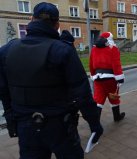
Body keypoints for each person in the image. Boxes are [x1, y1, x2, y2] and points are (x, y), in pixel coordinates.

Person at [0, 2, 103, 158]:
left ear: (31, 19)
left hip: (25, 126)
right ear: (57, 25)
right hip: (60, 125)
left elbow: (3, 90)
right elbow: (81, 92)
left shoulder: (6, 50)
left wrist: (10, 118)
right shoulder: (63, 50)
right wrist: (94, 123)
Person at [89, 32, 125, 122]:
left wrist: (93, 74)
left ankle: (95, 121)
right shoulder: (113, 49)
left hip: (97, 78)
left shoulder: (94, 49)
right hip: (110, 78)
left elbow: (91, 64)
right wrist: (120, 79)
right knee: (113, 97)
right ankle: (117, 117)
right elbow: (116, 64)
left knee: (98, 99)